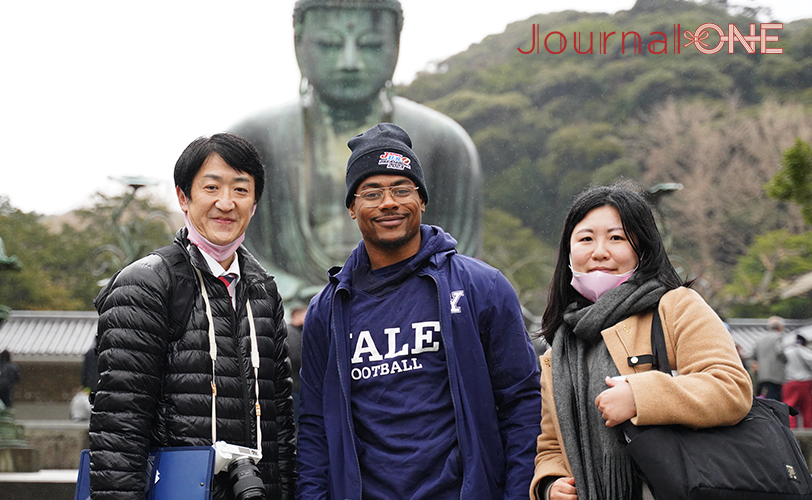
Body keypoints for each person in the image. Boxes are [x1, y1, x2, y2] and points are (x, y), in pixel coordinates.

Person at [296, 123, 540, 500]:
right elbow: (314, 425)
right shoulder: (327, 310)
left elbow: (522, 403)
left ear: (422, 200)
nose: (388, 203)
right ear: (351, 207)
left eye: (402, 189)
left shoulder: (481, 287)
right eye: (372, 192)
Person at [230, 0, 482, 301]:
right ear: (299, 43)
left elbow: (458, 257)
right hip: (291, 312)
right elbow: (235, 249)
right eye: (328, 44)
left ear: (396, 45)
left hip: (413, 306)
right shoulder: (255, 138)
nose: (349, 62)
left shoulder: (444, 141)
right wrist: (293, 296)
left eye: (371, 45)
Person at [90, 133, 295, 500]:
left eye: (241, 190)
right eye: (211, 187)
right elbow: (120, 426)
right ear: (184, 197)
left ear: (256, 201)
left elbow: (281, 421)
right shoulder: (148, 283)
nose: (226, 203)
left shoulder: (263, 289)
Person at [532, 183, 752, 500]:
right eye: (585, 239)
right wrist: (550, 484)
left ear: (643, 247)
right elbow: (551, 444)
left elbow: (731, 387)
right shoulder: (560, 348)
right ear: (568, 252)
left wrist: (640, 397)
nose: (599, 252)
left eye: (616, 238)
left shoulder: (677, 306)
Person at [752, 315, 788, 401]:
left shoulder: (760, 338)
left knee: (767, 394)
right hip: (775, 373)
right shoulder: (778, 337)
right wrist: (786, 359)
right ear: (779, 327)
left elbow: (753, 354)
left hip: (763, 372)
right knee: (775, 396)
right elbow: (779, 351)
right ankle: (775, 413)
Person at [782, 334, 812, 428]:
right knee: (807, 408)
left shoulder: (786, 351)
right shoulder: (807, 352)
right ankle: (808, 428)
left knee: (790, 406)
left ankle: (791, 428)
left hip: (789, 382)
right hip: (806, 382)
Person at [285, 306, 306, 426]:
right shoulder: (292, 333)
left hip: (296, 384)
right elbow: (296, 358)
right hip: (295, 385)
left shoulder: (297, 332)